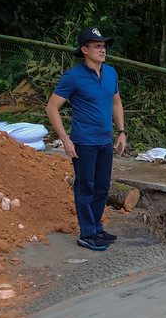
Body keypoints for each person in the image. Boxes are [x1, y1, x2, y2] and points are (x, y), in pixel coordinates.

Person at [46, 27, 126, 251]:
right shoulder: (72, 77)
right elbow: (52, 108)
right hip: (83, 142)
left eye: (104, 46)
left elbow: (116, 102)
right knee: (85, 187)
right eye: (97, 46)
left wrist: (121, 132)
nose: (102, 50)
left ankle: (96, 227)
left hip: (105, 141)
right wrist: (65, 140)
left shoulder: (110, 73)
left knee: (102, 187)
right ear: (84, 50)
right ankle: (87, 233)